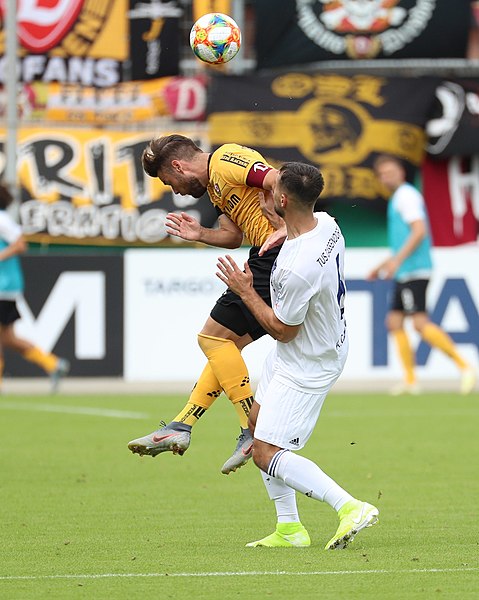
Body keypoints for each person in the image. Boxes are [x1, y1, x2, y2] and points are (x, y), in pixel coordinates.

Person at [216, 162, 379, 549]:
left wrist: (245, 290)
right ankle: (289, 529)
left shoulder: (295, 270)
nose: (268, 192)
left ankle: (350, 507)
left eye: (273, 189)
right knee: (256, 427)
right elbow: (299, 230)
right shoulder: (327, 223)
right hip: (301, 352)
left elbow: (282, 329)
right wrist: (279, 225)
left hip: (309, 361)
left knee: (265, 452)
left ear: (283, 199)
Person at [128, 134, 282, 474]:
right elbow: (232, 236)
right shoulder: (215, 187)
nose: (176, 191)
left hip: (275, 255)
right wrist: (200, 234)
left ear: (178, 166)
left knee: (210, 338)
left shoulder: (227, 159)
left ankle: (251, 429)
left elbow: (278, 178)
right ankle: (181, 426)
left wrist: (283, 226)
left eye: (170, 182)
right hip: (264, 254)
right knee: (222, 346)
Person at [368, 154, 476, 395]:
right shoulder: (400, 198)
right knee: (394, 322)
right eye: (383, 173)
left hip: (414, 270)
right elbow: (405, 239)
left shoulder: (406, 197)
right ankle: (410, 380)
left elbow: (419, 231)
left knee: (419, 324)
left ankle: (465, 366)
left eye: (390, 171)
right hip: (407, 269)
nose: (387, 176)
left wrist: (396, 261)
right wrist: (383, 265)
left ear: (402, 172)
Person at [0, 184, 70, 393]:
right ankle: (52, 364)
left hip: (3, 286)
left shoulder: (1, 219)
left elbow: (20, 244)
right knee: (7, 338)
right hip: (5, 287)